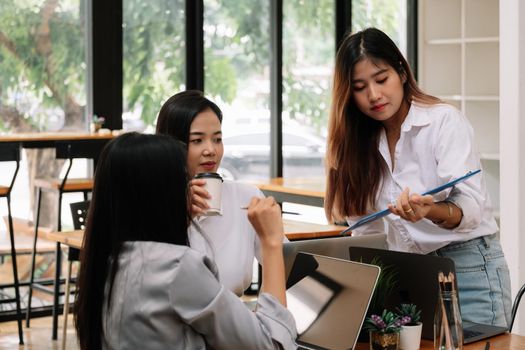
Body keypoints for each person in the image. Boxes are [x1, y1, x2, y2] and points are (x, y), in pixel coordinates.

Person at [324, 27, 511, 328]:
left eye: (381, 79)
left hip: (466, 267)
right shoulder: (356, 145)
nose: (374, 95)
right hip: (405, 274)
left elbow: (472, 208)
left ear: (401, 71)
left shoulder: (443, 121)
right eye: (359, 87)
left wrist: (430, 210)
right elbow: (367, 234)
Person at [74, 132, 297, 350]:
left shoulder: (106, 261)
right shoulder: (177, 267)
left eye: (217, 139)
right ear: (163, 193)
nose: (210, 150)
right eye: (183, 180)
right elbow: (271, 343)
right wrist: (271, 243)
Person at [156, 90, 271, 296]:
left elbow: (289, 268)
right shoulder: (153, 201)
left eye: (217, 139)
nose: (211, 150)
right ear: (171, 144)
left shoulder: (246, 197)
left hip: (232, 322)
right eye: (197, 140)